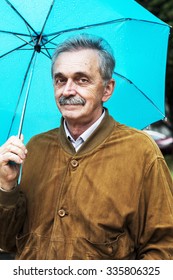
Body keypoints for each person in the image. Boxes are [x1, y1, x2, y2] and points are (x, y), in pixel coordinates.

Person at [0, 34, 173, 260]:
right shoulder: (34, 147)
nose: (68, 90)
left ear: (107, 89)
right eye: (60, 80)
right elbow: (7, 241)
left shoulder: (141, 151)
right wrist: (6, 186)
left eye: (82, 80)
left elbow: (163, 247)